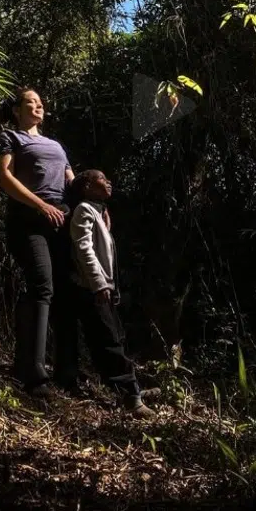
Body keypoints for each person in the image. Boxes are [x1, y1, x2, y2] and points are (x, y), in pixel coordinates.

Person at [0, 87, 75, 398]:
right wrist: (40, 206)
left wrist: (94, 209)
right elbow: (4, 177)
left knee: (67, 291)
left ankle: (68, 372)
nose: (39, 106)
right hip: (28, 220)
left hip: (63, 220)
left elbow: (72, 182)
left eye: (41, 102)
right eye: (31, 102)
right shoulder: (10, 138)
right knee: (41, 285)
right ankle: (33, 373)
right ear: (17, 110)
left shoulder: (56, 145)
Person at [67, 170, 159, 419]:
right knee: (108, 340)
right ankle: (131, 395)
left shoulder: (97, 212)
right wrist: (99, 284)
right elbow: (84, 248)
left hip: (102, 288)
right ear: (86, 186)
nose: (108, 182)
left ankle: (130, 387)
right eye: (102, 178)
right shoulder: (84, 210)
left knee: (113, 337)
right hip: (92, 289)